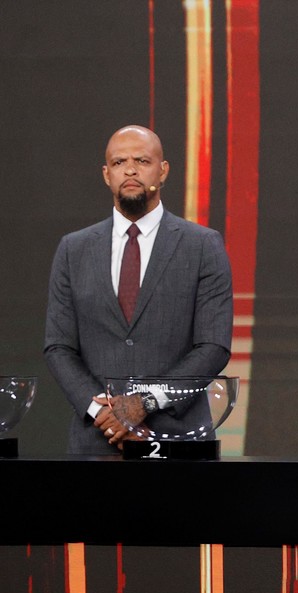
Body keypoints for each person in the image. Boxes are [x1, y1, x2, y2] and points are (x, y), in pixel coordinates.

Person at [44, 125, 234, 454]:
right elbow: (59, 347)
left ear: (163, 171)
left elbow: (213, 345)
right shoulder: (73, 250)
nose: (130, 170)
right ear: (106, 175)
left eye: (142, 161)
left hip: (180, 439)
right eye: (119, 162)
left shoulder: (203, 245)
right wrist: (104, 415)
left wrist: (143, 403)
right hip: (97, 441)